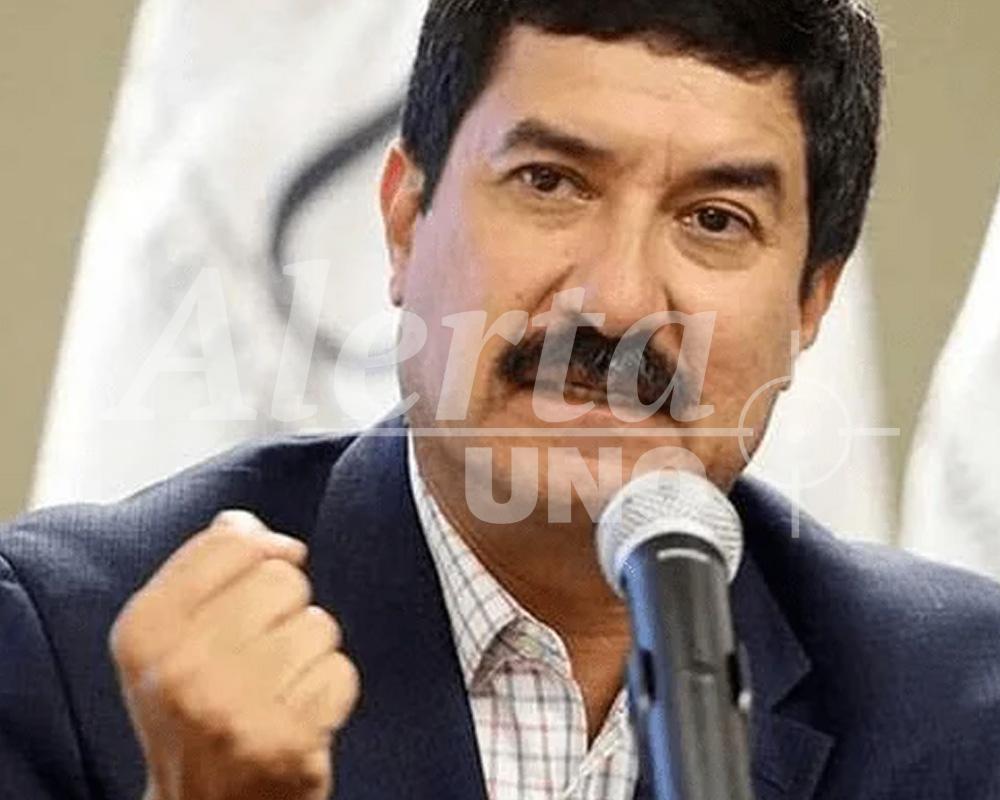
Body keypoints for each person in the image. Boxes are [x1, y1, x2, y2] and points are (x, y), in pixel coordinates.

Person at [2, 1, 999, 799]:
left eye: (714, 218)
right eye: (550, 182)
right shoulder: (63, 650)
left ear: (811, 300)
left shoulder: (957, 706)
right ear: (404, 221)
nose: (614, 301)